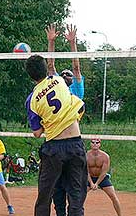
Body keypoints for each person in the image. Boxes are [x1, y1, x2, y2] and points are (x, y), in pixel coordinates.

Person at [25, 54, 87, 216]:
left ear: (30, 76)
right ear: (46, 69)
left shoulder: (31, 100)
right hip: (75, 144)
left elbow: (37, 133)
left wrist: (50, 121)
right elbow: (54, 64)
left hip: (54, 148)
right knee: (76, 195)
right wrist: (52, 41)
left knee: (45, 196)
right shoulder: (58, 81)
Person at [46, 23, 85, 216]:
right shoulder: (55, 87)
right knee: (57, 191)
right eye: (64, 75)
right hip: (55, 142)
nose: (67, 75)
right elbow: (51, 66)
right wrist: (50, 42)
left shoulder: (76, 89)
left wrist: (72, 43)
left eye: (69, 74)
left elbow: (76, 66)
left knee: (75, 193)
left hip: (72, 141)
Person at [87, 138, 122, 216]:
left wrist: (97, 183)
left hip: (102, 178)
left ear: (100, 144)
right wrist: (91, 183)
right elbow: (86, 172)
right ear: (90, 144)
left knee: (113, 197)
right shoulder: (86, 155)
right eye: (93, 142)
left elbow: (104, 172)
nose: (95, 144)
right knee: (79, 197)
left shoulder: (105, 156)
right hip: (89, 178)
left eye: (97, 142)